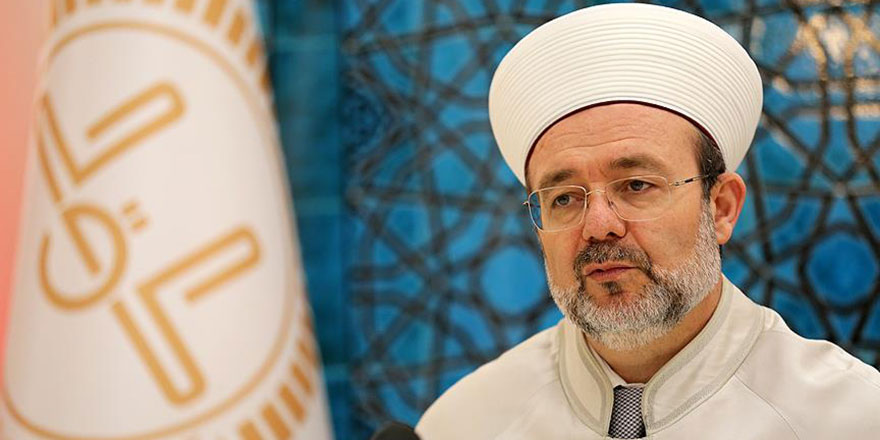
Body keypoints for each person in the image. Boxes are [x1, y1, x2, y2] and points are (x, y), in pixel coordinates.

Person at [415, 3, 880, 439]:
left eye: (636, 185)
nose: (598, 225)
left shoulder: (850, 418)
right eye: (564, 198)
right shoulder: (465, 423)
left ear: (721, 207)